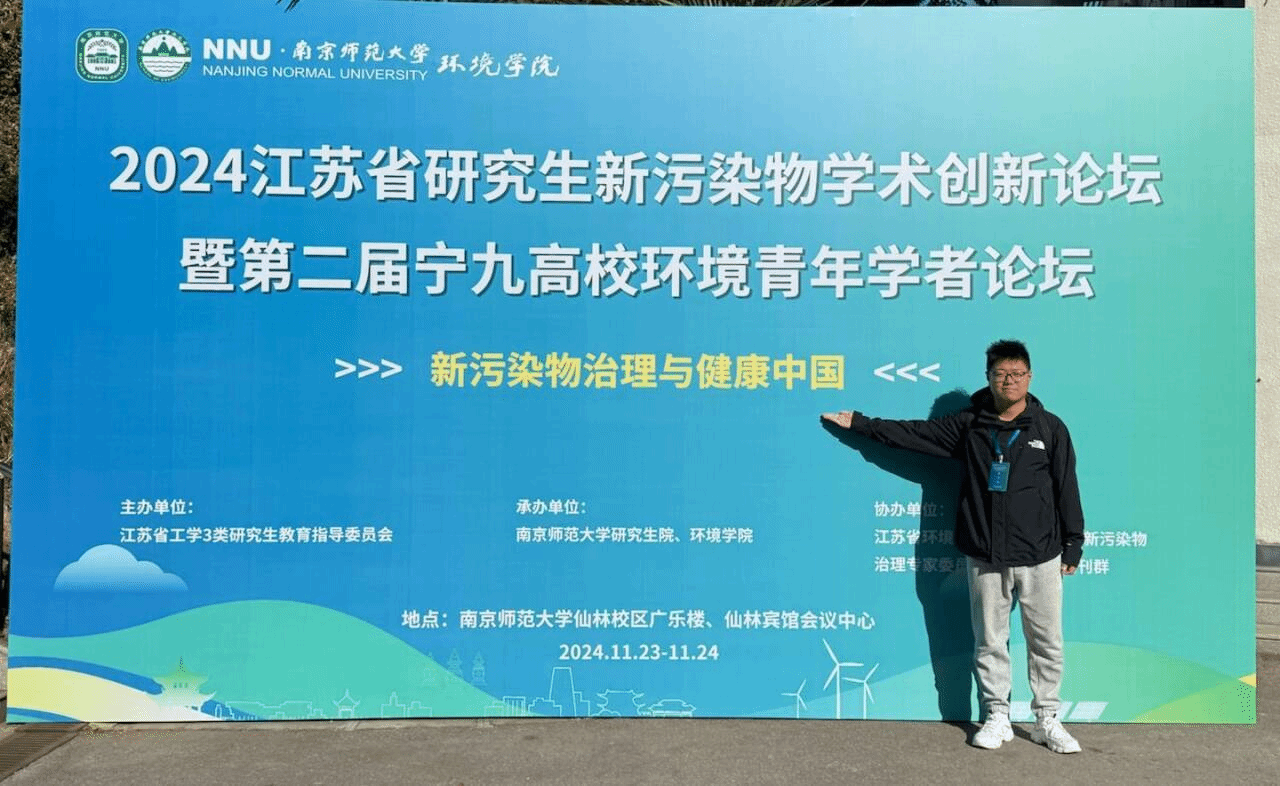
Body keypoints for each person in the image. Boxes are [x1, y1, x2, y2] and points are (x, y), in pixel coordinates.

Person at [820, 339, 1084, 754]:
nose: (1009, 381)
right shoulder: (968, 425)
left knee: (1046, 642)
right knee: (990, 641)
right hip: (984, 552)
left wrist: (1073, 542)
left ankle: (1046, 718)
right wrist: (861, 424)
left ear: (1030, 377)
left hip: (1041, 553)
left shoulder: (1049, 428)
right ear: (989, 377)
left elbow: (1066, 485)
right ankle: (997, 715)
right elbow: (913, 434)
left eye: (1017, 374)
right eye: (1001, 374)